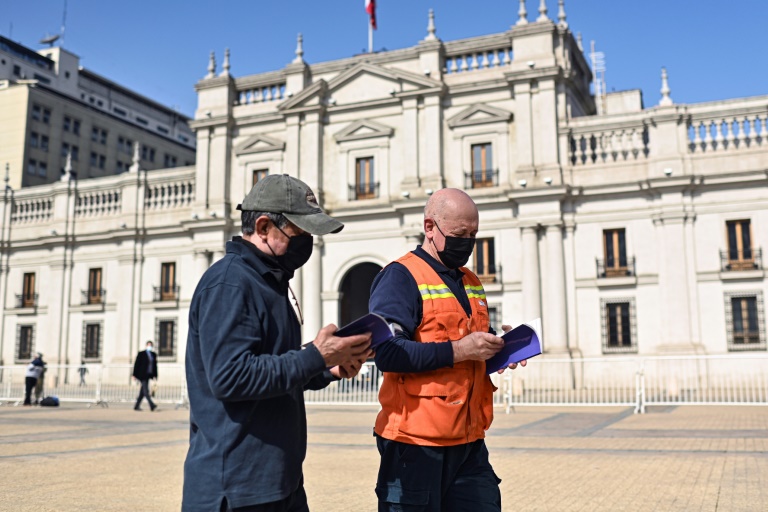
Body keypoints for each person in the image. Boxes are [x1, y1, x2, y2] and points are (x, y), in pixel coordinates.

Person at [183, 174, 372, 512]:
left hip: (278, 483)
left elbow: (274, 364)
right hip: (236, 491)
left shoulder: (268, 282)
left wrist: (328, 367)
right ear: (264, 225)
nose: (308, 244)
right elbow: (231, 377)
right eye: (300, 233)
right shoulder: (231, 283)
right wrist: (314, 355)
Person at [369, 188, 526, 512]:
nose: (467, 243)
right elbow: (388, 353)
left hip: (469, 440)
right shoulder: (400, 277)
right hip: (414, 444)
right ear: (430, 227)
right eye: (459, 234)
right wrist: (460, 349)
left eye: (473, 234)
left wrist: (500, 347)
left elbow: (471, 341)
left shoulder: (470, 280)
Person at [132, 340, 158, 411]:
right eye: (148, 345)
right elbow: (137, 364)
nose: (150, 346)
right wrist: (134, 374)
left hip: (148, 375)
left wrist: (155, 375)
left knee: (142, 392)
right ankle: (151, 404)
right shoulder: (141, 354)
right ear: (146, 345)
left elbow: (155, 366)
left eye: (151, 345)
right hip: (142, 375)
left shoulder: (153, 354)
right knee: (146, 390)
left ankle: (136, 406)